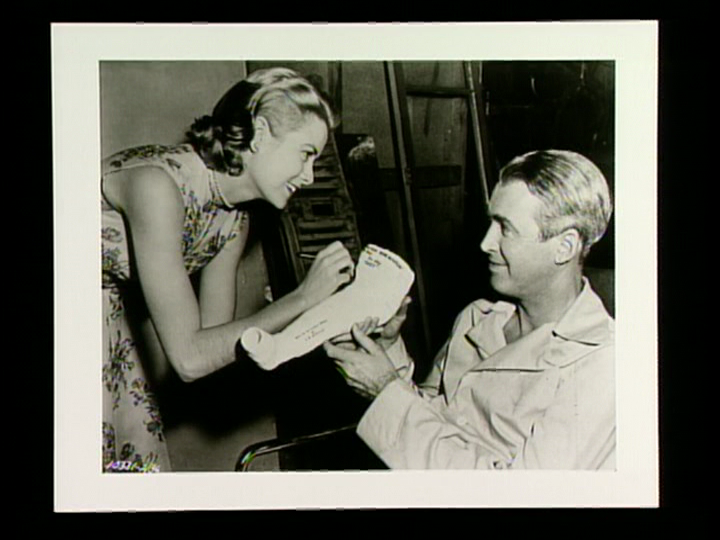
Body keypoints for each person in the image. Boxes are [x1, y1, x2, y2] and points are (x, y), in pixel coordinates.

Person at [101, 67, 355, 473]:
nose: (309, 177)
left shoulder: (233, 221)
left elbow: (211, 351)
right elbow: (189, 358)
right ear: (260, 132)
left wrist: (317, 318)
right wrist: (302, 299)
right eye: (306, 153)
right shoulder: (159, 188)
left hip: (105, 325)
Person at [324, 149, 615, 470]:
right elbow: (432, 417)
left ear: (564, 247)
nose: (486, 243)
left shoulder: (601, 368)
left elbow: (517, 493)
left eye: (505, 228)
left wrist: (384, 390)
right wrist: (387, 351)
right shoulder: (478, 318)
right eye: (491, 223)